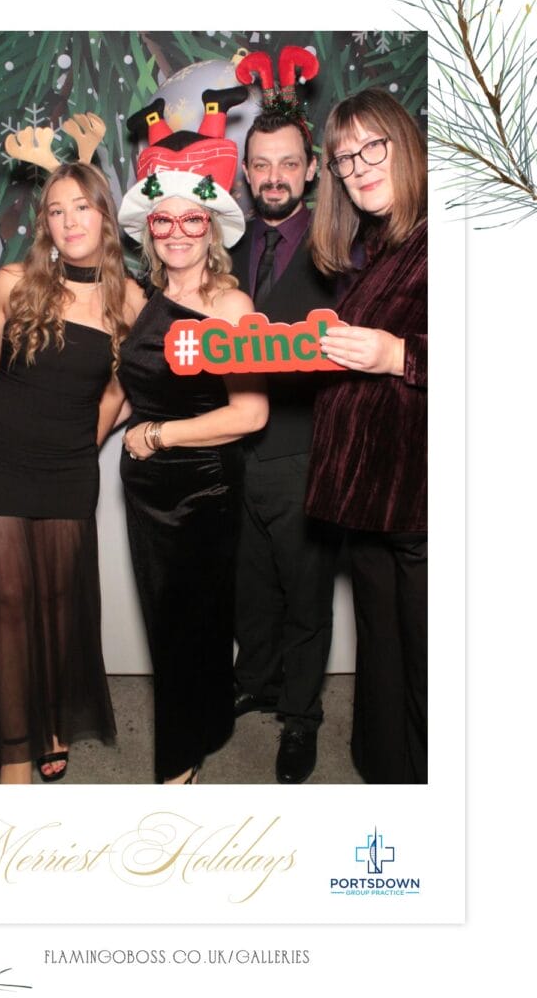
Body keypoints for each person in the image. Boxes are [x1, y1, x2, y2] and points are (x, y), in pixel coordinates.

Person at [0, 162, 145, 785]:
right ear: (45, 224)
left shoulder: (131, 301)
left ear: (104, 215)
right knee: (5, 604)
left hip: (67, 467)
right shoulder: (12, 283)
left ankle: (53, 716)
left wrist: (81, 445)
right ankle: (14, 754)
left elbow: (121, 391)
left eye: (81, 207)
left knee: (59, 601)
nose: (69, 221)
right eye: (56, 210)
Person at [117, 91, 268, 784]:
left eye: (192, 220)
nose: (177, 232)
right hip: (146, 488)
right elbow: (132, 384)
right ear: (151, 231)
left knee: (188, 621)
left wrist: (157, 436)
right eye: (164, 220)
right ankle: (204, 726)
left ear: (212, 230)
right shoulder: (148, 299)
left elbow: (250, 415)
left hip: (201, 489)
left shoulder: (232, 306)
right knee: (171, 621)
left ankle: (178, 767)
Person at [306, 87, 427, 784]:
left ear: (404, 142)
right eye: (344, 159)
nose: (358, 168)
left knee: (432, 662)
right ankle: (389, 782)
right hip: (372, 504)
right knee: (384, 653)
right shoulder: (377, 249)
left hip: (425, 502)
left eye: (371, 147)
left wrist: (399, 354)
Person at [230, 100, 341, 785]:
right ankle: (257, 682)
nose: (274, 176)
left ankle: (300, 715)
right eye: (262, 164)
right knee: (249, 586)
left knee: (305, 593)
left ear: (311, 170)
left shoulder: (341, 252)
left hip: (305, 450)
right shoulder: (224, 249)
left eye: (288, 164)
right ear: (247, 171)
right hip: (230, 449)